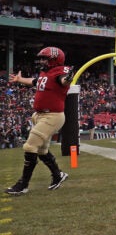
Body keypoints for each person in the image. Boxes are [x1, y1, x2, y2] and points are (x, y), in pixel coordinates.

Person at [5, 47, 72, 196]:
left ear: (55, 59)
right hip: (40, 115)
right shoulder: (46, 73)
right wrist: (20, 79)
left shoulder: (59, 71)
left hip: (52, 116)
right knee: (41, 150)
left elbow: (63, 80)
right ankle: (58, 175)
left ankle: (23, 184)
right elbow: (35, 82)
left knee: (30, 146)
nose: (42, 61)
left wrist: (68, 79)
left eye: (45, 58)